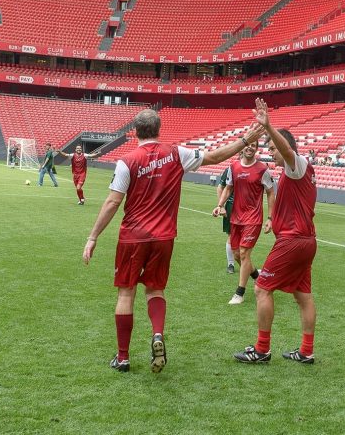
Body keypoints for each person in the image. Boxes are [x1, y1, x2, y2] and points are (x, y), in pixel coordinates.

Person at [83, 109, 263, 373]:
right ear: (159, 129)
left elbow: (112, 202)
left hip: (133, 237)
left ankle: (122, 357)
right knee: (155, 290)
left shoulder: (127, 161)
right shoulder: (177, 153)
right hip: (164, 237)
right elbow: (215, 156)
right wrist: (245, 141)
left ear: (135, 132)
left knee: (126, 292)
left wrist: (93, 236)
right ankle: (157, 334)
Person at [233, 98, 319, 365]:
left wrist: (269, 127)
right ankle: (306, 351)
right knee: (302, 295)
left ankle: (262, 349)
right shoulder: (291, 172)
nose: (270, 152)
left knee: (261, 289)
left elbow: (288, 151)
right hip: (305, 240)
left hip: (292, 241)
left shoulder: (298, 165)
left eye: (272, 147)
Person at [214, 140, 275, 304]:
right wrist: (219, 205)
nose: (250, 148)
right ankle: (257, 276)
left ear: (256, 149)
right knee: (236, 254)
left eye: (253, 146)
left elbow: (270, 192)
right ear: (243, 147)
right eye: (247, 145)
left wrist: (270, 218)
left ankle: (239, 293)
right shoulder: (233, 167)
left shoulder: (263, 169)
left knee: (243, 253)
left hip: (253, 219)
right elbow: (228, 188)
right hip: (236, 217)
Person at [217, 157, 241, 274]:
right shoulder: (230, 169)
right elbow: (220, 188)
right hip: (232, 206)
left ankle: (245, 264)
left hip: (249, 209)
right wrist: (221, 206)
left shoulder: (255, 168)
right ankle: (230, 264)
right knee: (231, 236)